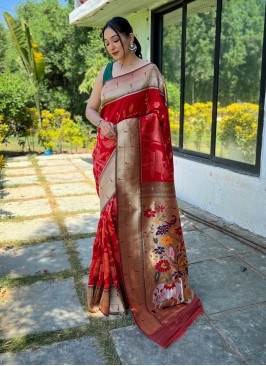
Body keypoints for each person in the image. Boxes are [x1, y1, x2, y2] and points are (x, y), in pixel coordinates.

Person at [85, 16, 203, 348]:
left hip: (143, 163)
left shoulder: (149, 72)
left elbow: (159, 118)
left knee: (146, 224)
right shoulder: (106, 74)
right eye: (106, 42)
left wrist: (132, 127)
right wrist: (103, 124)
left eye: (115, 39)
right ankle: (118, 291)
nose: (111, 47)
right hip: (109, 159)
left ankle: (154, 286)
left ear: (130, 36)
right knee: (113, 220)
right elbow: (91, 109)